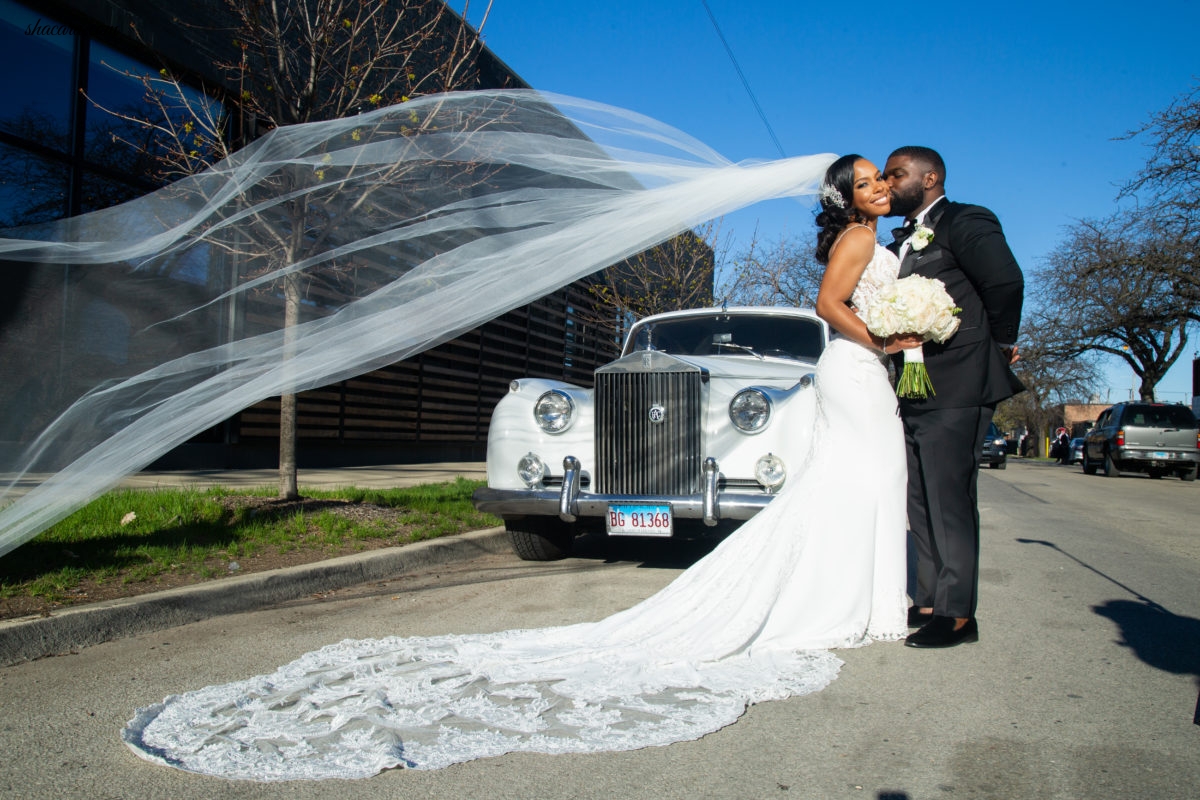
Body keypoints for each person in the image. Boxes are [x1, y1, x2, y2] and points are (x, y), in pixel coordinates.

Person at [121, 155, 923, 780]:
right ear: (845, 198)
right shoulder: (854, 245)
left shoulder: (853, 266)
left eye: (881, 182)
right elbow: (837, 304)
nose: (879, 189)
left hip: (838, 385)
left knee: (857, 488)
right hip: (844, 372)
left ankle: (859, 596)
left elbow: (832, 316)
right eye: (866, 182)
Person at [883, 146, 1024, 649]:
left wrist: (1001, 344)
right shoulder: (900, 238)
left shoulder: (966, 220)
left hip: (959, 380)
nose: (887, 182)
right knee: (920, 498)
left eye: (896, 174)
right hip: (915, 383)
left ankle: (959, 614)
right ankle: (928, 600)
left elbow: (1005, 282)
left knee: (951, 499)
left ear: (930, 177)